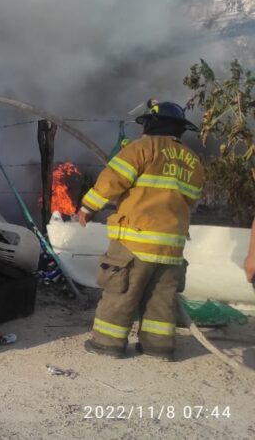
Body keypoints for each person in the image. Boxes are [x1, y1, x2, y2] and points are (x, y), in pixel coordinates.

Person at [78, 100, 203, 361]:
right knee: (161, 300)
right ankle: (158, 348)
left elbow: (112, 180)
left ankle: (107, 343)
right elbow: (191, 199)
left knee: (121, 294)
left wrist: (88, 207)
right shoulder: (192, 160)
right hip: (172, 246)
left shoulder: (141, 148)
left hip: (135, 240)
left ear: (152, 124)